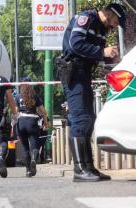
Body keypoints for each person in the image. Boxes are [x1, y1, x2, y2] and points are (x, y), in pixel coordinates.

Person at [59, 3, 126, 182]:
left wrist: (109, 57)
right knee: (81, 118)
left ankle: (88, 167)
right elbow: (75, 44)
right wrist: (101, 51)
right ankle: (79, 169)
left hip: (84, 74)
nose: (114, 27)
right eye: (115, 23)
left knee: (89, 119)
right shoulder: (86, 18)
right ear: (110, 14)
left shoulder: (101, 29)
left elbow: (95, 54)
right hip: (74, 73)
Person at [15, 77, 49, 177]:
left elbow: (15, 112)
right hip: (32, 122)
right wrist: (46, 123)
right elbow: (43, 112)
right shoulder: (35, 96)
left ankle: (28, 171)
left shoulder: (18, 97)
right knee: (35, 146)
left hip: (21, 122)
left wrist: (14, 123)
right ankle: (34, 159)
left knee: (25, 148)